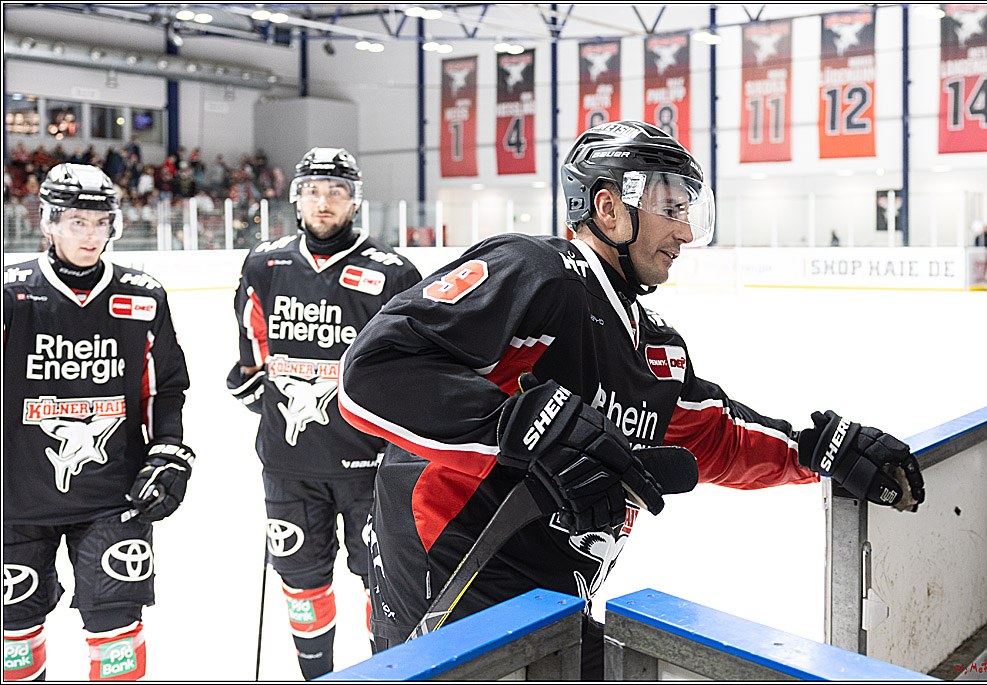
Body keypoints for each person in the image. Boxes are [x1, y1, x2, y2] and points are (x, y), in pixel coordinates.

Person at [337, 121, 926, 679]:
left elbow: (715, 436)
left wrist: (813, 450)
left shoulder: (656, 345)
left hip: (547, 601)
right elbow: (378, 369)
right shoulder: (536, 273)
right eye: (672, 208)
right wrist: (514, 425)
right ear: (609, 206)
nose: (687, 231)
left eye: (690, 210)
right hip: (450, 589)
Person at [226, 147, 422, 680]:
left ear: (355, 200)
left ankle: (382, 674)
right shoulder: (266, 263)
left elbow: (415, 367)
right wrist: (251, 383)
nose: (324, 201)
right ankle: (318, 677)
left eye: (336, 190)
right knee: (301, 582)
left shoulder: (392, 272)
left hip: (371, 468)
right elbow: (252, 342)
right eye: (313, 189)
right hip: (290, 467)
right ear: (296, 198)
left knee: (381, 586)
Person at [3, 164, 194, 681]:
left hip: (114, 497)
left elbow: (165, 388)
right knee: (14, 635)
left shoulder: (143, 295)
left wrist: (169, 450)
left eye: (100, 222)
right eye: (76, 222)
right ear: (47, 222)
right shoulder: (11, 292)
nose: (90, 235)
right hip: (17, 500)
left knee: (115, 635)